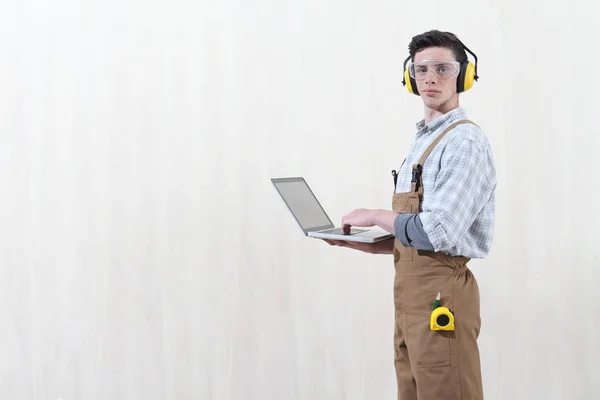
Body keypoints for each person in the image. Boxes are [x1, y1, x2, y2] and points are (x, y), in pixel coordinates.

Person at [323, 30, 496, 400]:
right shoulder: (423, 141)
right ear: (409, 77)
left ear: (464, 75)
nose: (430, 78)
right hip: (411, 299)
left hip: (440, 298)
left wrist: (374, 214)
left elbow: (439, 231)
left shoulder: (463, 141)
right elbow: (417, 233)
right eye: (421, 69)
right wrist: (364, 244)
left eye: (443, 69)